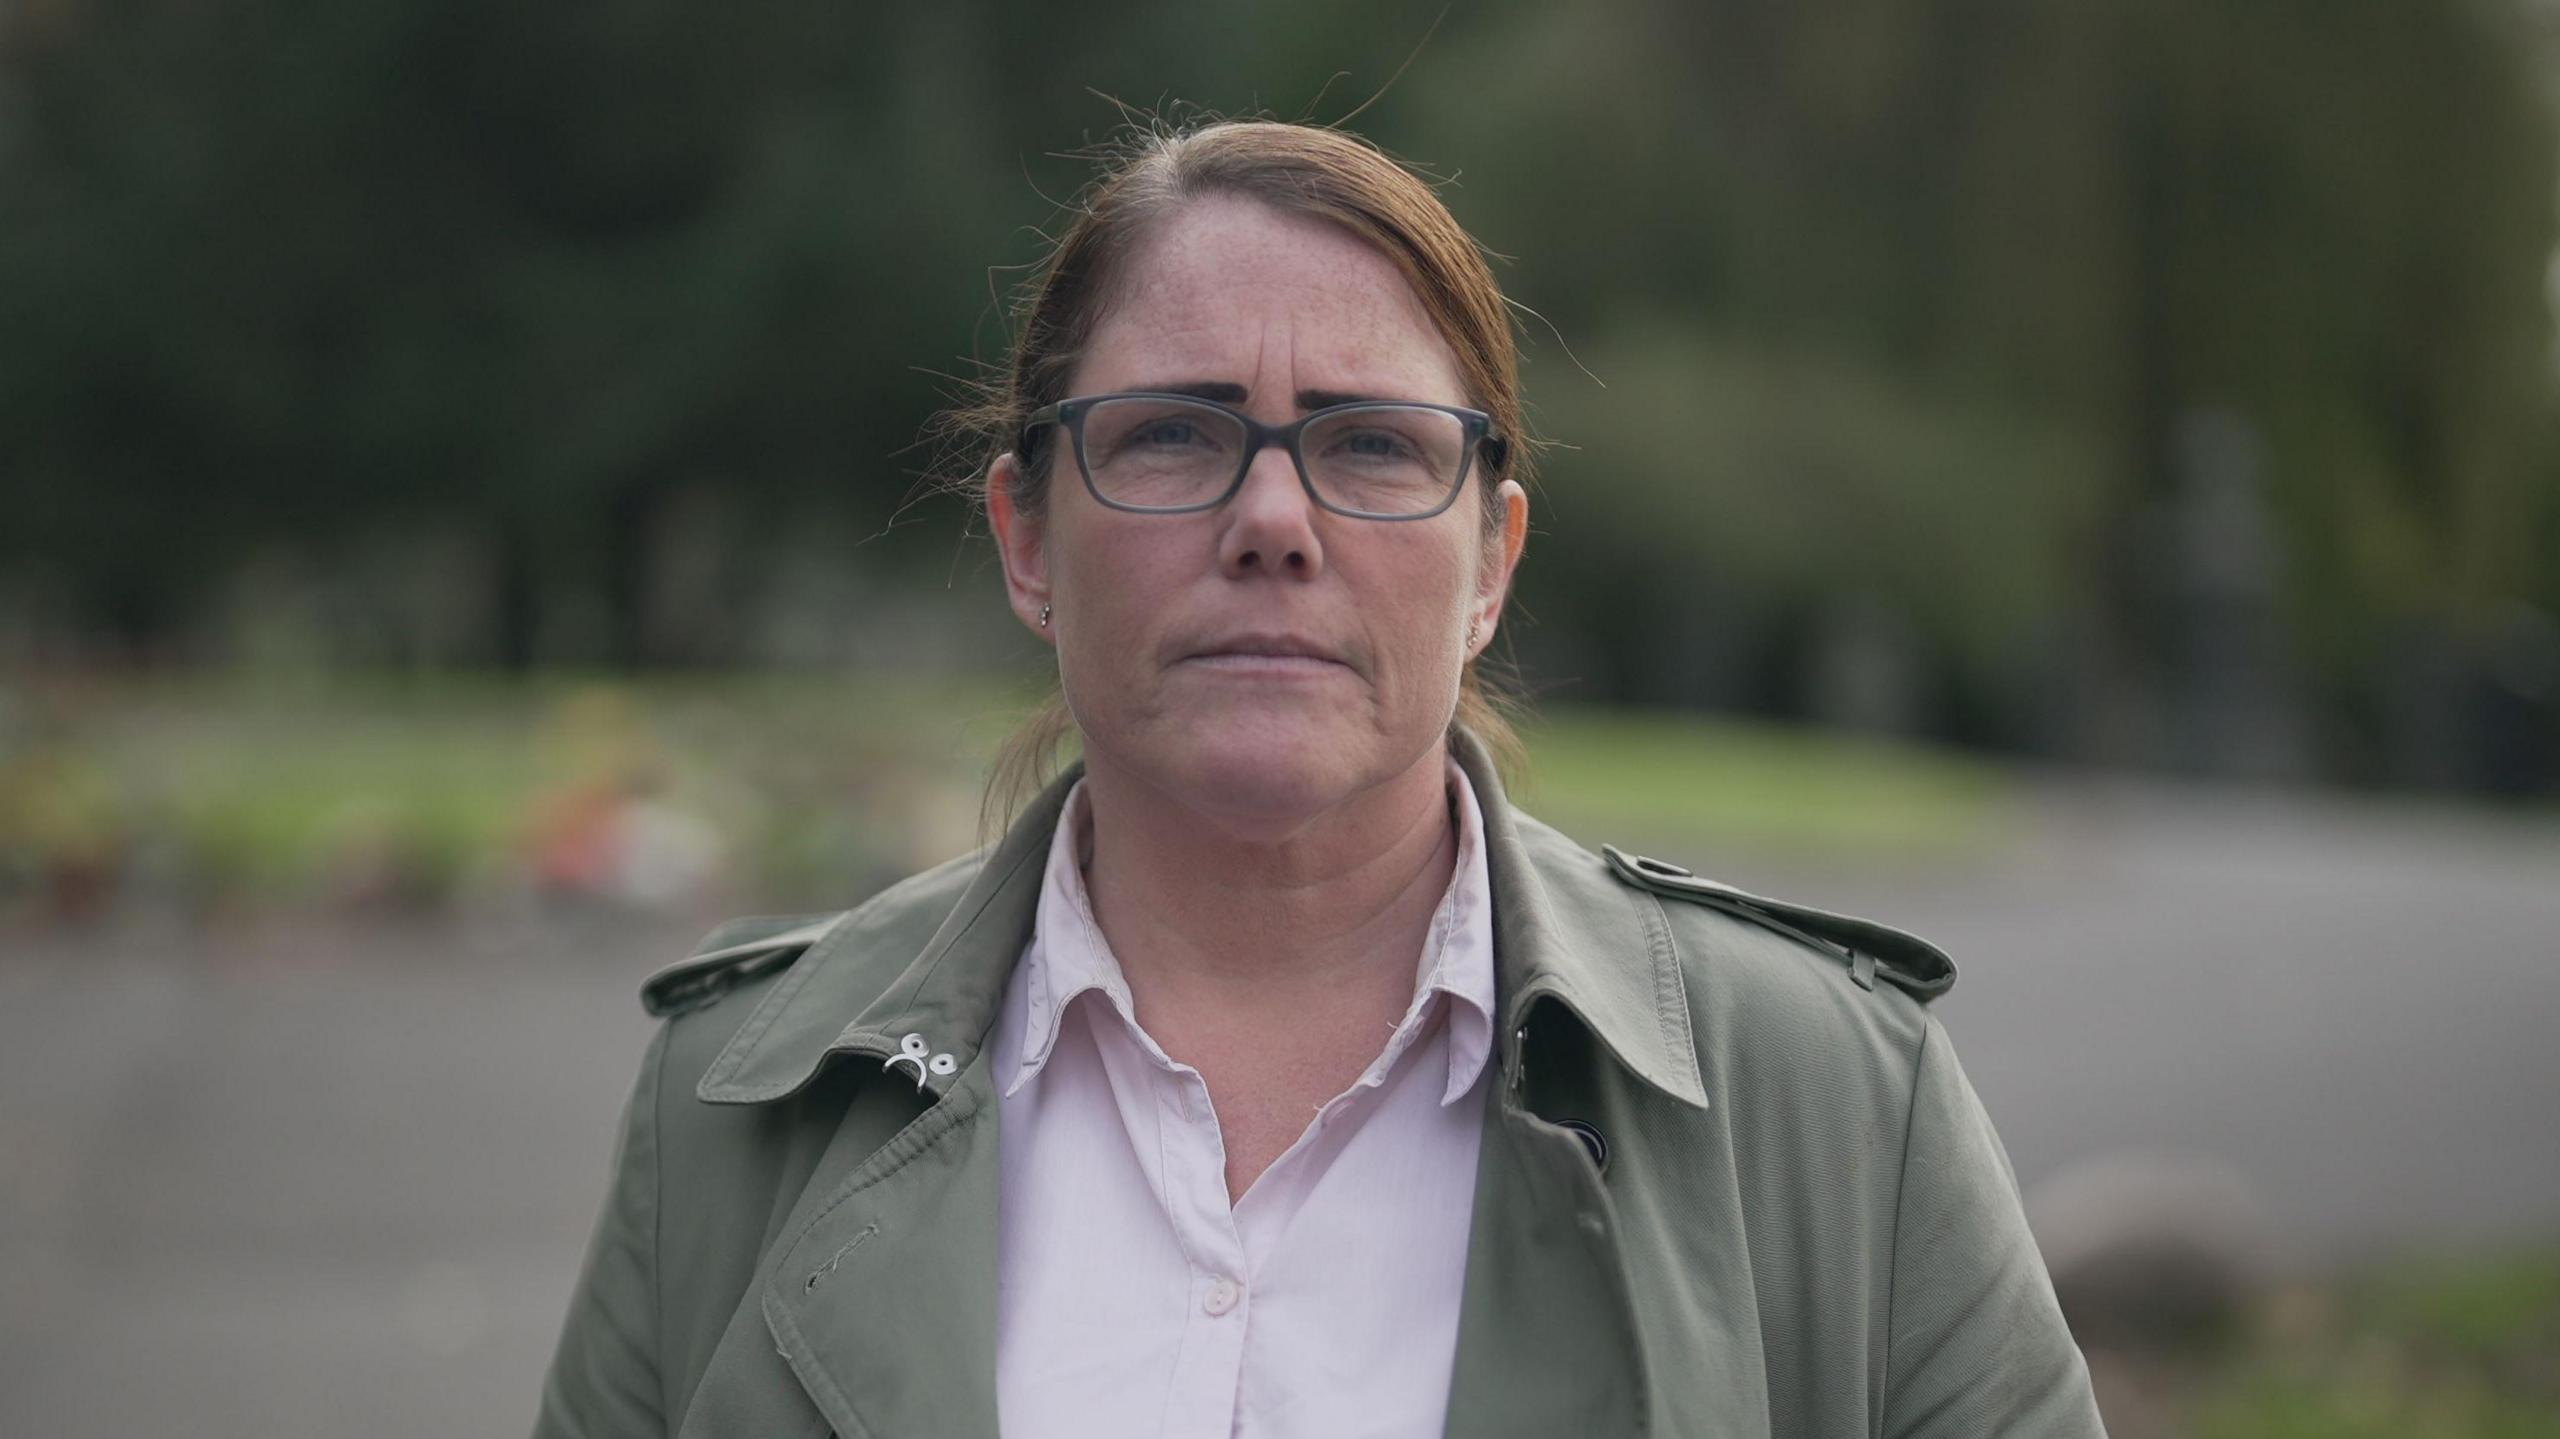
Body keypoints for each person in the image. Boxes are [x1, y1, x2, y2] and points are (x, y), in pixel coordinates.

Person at [532, 118, 2107, 1439]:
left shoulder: (1836, 1108)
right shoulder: (733, 1104)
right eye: (1168, 436)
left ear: (1489, 560)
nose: (1273, 519)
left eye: (1369, 446)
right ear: (1026, 536)